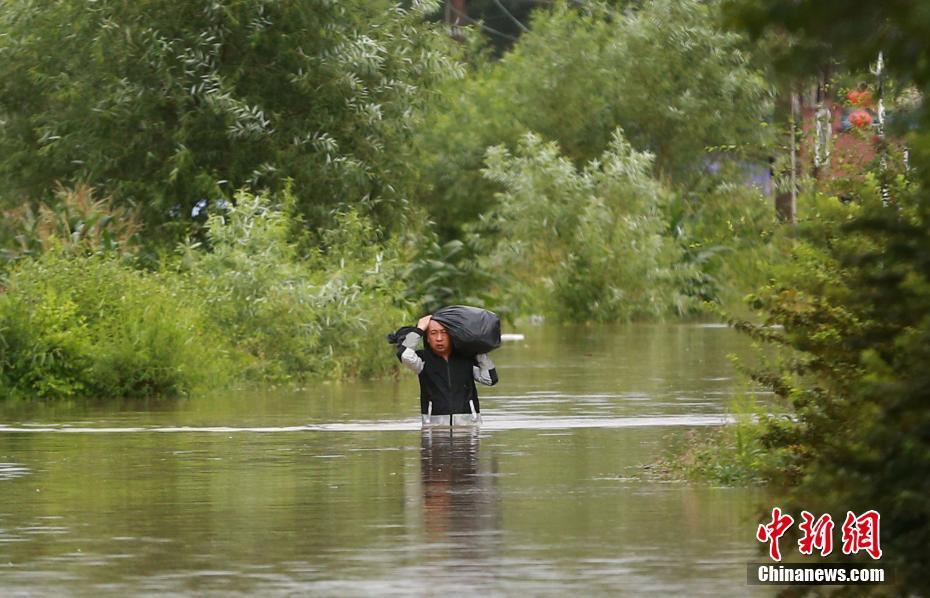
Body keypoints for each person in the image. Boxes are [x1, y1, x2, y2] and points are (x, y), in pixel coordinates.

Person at [396, 315, 498, 425]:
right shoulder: (422, 360)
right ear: (427, 338)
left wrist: (478, 348)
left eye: (444, 332)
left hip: (469, 427)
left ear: (451, 335)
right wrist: (419, 329)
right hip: (434, 429)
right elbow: (405, 355)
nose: (439, 338)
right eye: (433, 333)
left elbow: (490, 379)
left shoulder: (466, 357)